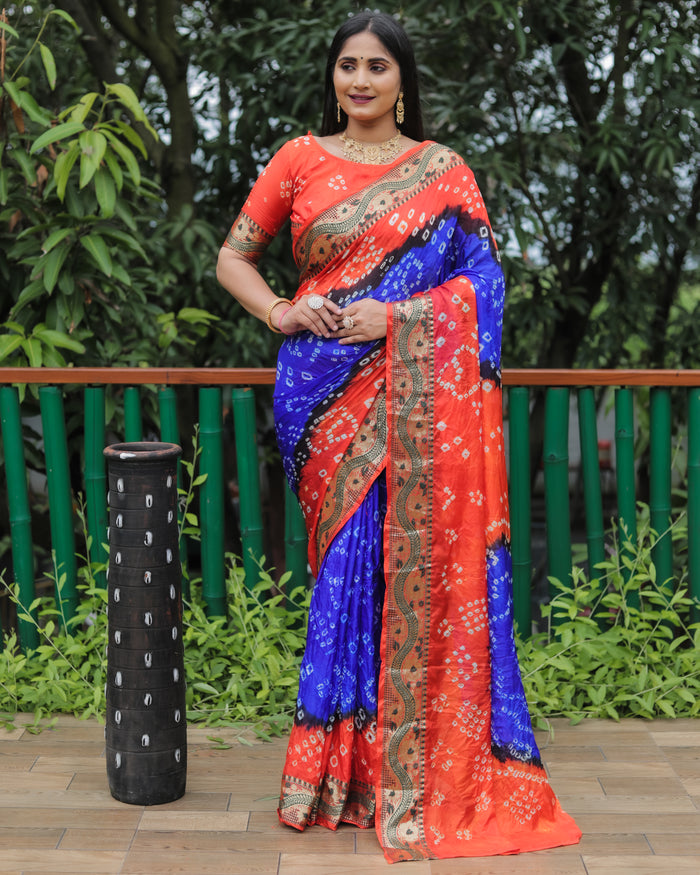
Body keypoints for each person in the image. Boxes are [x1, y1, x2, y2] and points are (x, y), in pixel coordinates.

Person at [217, 10, 581, 864]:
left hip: (416, 391)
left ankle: (403, 768)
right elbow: (232, 257)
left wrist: (401, 318)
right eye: (348, 64)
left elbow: (486, 284)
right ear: (333, 75)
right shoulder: (297, 159)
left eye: (377, 66)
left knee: (411, 564)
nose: (360, 80)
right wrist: (281, 309)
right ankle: (339, 773)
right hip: (321, 393)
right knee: (348, 570)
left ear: (402, 80)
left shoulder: (445, 172)